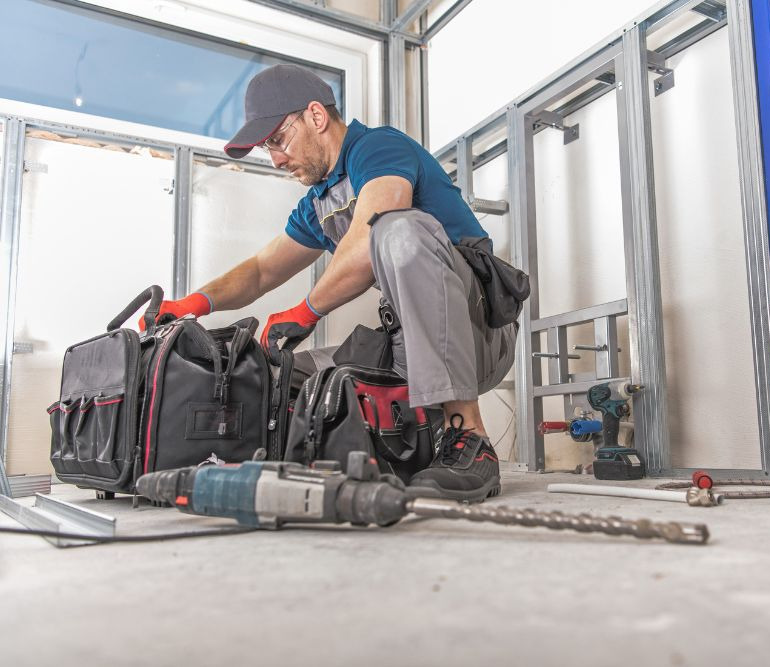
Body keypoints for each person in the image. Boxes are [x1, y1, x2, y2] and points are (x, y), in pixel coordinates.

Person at [150, 64, 516, 502]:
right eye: (269, 149)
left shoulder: (376, 148)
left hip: (478, 332)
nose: (277, 160)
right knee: (271, 369)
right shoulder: (318, 202)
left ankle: (469, 437)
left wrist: (305, 311)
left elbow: (368, 238)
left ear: (316, 117)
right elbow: (261, 270)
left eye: (278, 141)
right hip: (410, 345)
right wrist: (194, 304)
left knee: (397, 230)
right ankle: (292, 455)